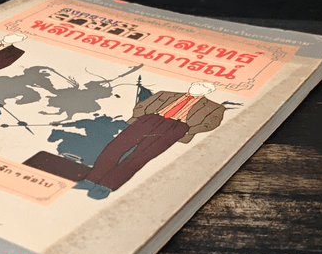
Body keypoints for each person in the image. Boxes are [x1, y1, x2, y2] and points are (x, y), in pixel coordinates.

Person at [79, 81, 225, 198]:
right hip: (149, 120)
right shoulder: (166, 93)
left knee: (140, 157)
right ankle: (91, 179)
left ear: (208, 91)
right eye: (197, 84)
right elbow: (143, 105)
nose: (197, 87)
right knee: (115, 148)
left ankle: (106, 186)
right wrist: (141, 117)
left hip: (175, 127)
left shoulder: (215, 107)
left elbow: (210, 124)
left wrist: (185, 130)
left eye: (203, 87)